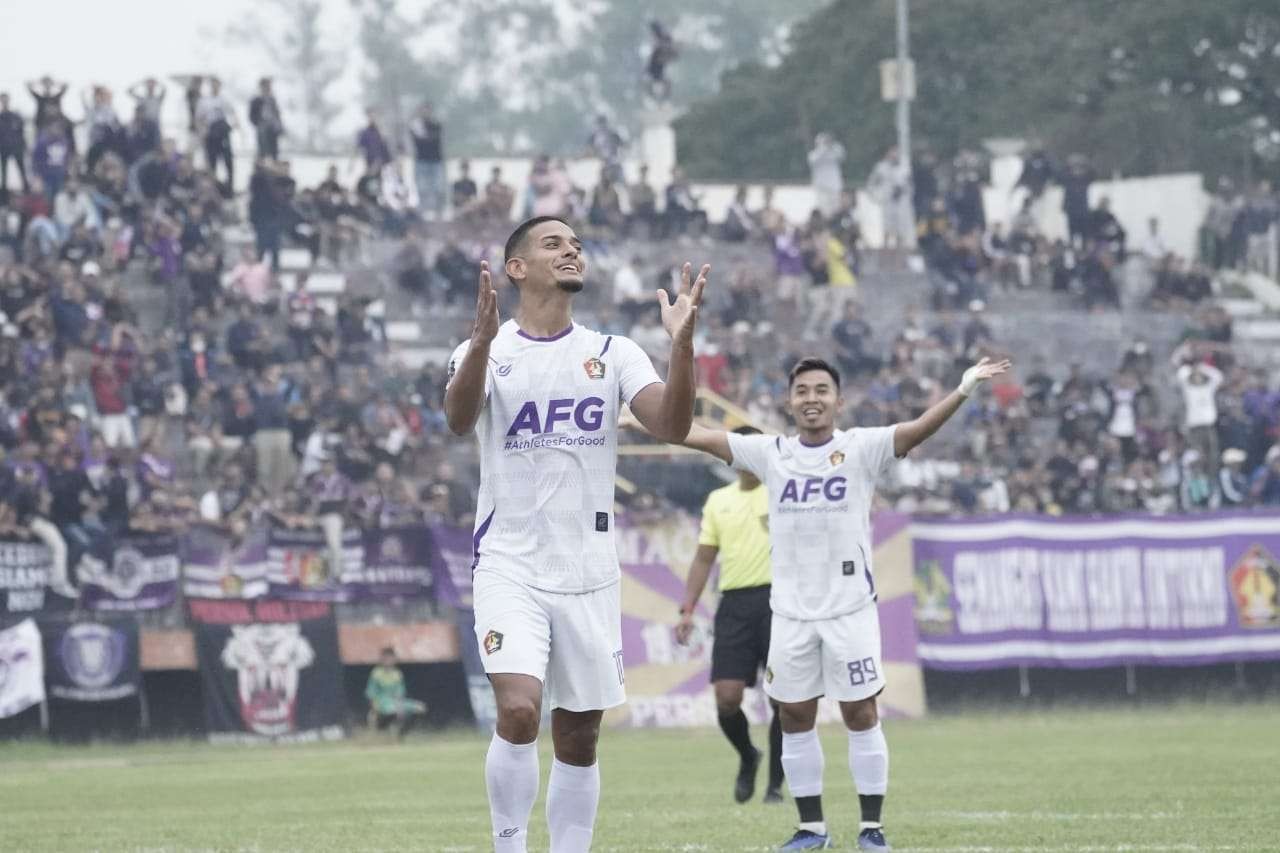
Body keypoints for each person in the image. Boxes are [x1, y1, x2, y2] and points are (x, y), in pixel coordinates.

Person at [661, 354, 1011, 851]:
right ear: (789, 401)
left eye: (821, 390)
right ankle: (811, 829)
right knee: (794, 716)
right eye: (802, 390)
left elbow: (913, 432)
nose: (811, 398)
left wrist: (964, 389)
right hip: (789, 615)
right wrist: (648, 412)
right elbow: (697, 435)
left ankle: (871, 828)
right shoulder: (770, 453)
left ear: (838, 401)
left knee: (860, 712)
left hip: (850, 611)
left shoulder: (862, 447)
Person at [444, 215, 709, 853]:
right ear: (516, 268)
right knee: (517, 710)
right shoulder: (485, 347)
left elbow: (671, 427)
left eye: (577, 245)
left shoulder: (615, 352)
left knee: (579, 738)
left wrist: (682, 347)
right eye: (553, 243)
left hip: (588, 570)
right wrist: (480, 343)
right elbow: (457, 420)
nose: (572, 251)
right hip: (509, 562)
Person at [675, 425, 784, 804]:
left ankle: (775, 785)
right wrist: (687, 609)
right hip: (734, 606)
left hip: (780, 602)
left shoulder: (782, 490)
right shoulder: (718, 500)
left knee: (783, 700)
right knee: (726, 697)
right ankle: (748, 755)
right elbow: (704, 557)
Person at [365, 647, 427, 739]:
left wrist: (400, 706)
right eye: (386, 658)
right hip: (381, 703)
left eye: (391, 658)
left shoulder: (397, 674)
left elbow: (399, 693)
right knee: (391, 711)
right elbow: (371, 693)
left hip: (395, 702)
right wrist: (374, 709)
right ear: (381, 659)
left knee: (420, 708)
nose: (388, 661)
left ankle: (401, 734)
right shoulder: (376, 673)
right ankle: (385, 730)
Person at [196, 77, 237, 191]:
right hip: (211, 133)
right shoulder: (204, 101)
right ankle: (213, 188)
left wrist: (233, 126)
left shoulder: (224, 100)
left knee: (228, 160)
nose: (215, 87)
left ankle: (230, 187)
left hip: (223, 133)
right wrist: (202, 133)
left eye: (217, 84)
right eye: (213, 84)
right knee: (212, 162)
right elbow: (199, 119)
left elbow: (233, 114)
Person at [408, 103, 445, 219]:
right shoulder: (415, 126)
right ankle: (422, 213)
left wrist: (423, 137)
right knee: (421, 187)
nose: (425, 113)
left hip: (435, 161)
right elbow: (416, 140)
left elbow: (433, 139)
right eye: (423, 111)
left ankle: (438, 212)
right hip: (421, 161)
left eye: (427, 110)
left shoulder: (436, 125)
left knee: (438, 187)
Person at [808, 134, 845, 219]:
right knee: (824, 211)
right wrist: (824, 147)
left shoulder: (834, 152)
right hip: (822, 188)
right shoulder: (814, 154)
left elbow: (842, 154)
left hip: (834, 186)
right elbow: (813, 160)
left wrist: (832, 145)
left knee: (836, 210)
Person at [249, 78, 285, 160]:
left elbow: (277, 115)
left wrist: (279, 127)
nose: (268, 88)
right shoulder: (256, 100)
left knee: (274, 152)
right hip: (262, 128)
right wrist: (258, 123)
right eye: (266, 86)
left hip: (273, 129)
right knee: (263, 151)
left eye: (269, 86)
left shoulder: (272, 100)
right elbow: (252, 116)